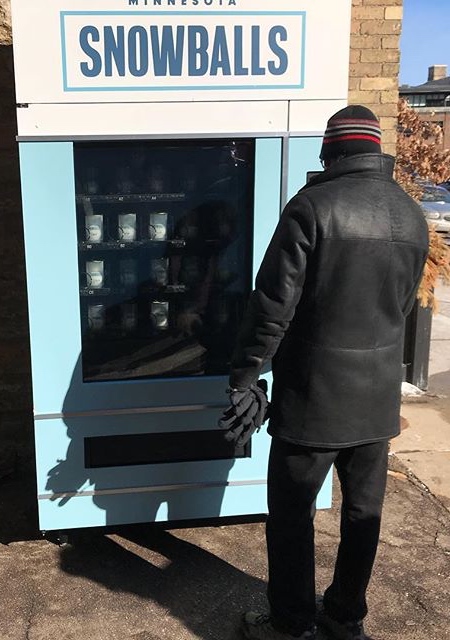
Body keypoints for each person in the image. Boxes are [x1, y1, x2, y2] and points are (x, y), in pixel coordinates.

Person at [219, 106, 429, 640]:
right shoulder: (410, 214)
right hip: (378, 401)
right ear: (375, 150)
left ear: (329, 152)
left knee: (291, 516)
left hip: (313, 400)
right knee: (364, 516)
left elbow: (272, 307)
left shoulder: (311, 208)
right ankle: (345, 617)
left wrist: (244, 376)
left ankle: (293, 623)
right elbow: (402, 308)